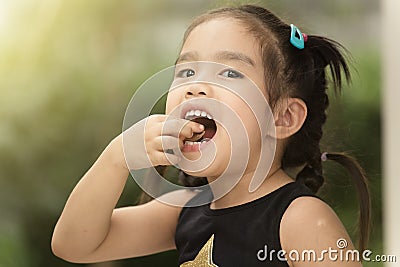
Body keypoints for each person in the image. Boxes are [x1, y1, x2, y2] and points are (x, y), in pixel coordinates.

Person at [51, 4, 371, 267]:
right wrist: (117, 156)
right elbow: (75, 245)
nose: (195, 86)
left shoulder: (299, 218)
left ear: (283, 117)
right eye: (186, 72)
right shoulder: (184, 209)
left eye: (229, 73)